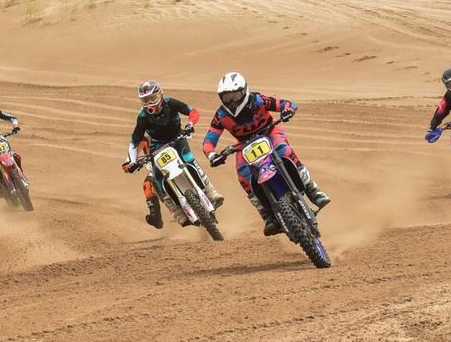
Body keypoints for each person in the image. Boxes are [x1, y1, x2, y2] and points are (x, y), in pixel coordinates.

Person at [202, 72, 329, 237]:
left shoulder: (258, 100)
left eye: (235, 95)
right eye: (227, 97)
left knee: (285, 151)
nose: (232, 101)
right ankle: (267, 215)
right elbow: (209, 140)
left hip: (270, 133)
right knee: (243, 176)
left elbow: (286, 103)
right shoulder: (221, 116)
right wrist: (212, 155)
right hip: (244, 145)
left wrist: (288, 110)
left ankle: (313, 190)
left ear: (244, 91)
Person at [123, 80, 224, 229]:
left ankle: (211, 191)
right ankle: (177, 212)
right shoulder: (143, 117)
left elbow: (192, 111)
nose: (149, 103)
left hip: (177, 138)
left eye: (152, 98)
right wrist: (131, 161)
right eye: (145, 100)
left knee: (190, 160)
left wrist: (190, 124)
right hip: (158, 147)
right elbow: (134, 142)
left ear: (160, 95)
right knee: (157, 180)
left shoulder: (170, 103)